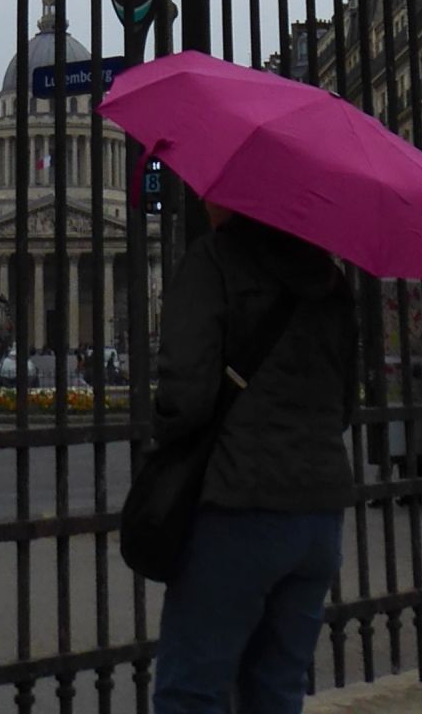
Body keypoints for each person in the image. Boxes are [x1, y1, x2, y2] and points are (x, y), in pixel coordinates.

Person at [151, 203, 357, 714]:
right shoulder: (331, 279)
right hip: (318, 515)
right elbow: (346, 403)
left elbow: (185, 396)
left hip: (238, 507)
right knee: (276, 691)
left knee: (191, 691)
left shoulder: (213, 261)